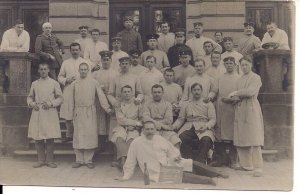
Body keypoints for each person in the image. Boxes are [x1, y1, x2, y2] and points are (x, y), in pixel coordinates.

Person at [117, 120, 228, 185]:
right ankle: (211, 181)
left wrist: (175, 156)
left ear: (155, 130)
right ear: (143, 130)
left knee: (191, 163)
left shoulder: (159, 138)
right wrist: (125, 177)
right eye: (147, 129)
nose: (150, 131)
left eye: (152, 129)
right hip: (155, 172)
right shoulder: (137, 143)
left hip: (169, 163)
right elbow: (130, 161)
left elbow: (171, 149)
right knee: (183, 176)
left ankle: (218, 174)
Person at [69, 62, 112, 169]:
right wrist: (70, 114)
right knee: (78, 135)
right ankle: (78, 159)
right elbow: (70, 101)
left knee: (89, 135)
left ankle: (88, 160)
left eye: (85, 69)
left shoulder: (94, 82)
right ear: (79, 71)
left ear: (88, 71)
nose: (83, 71)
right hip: (78, 111)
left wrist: (107, 109)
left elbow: (101, 97)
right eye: (81, 69)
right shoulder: (74, 83)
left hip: (90, 112)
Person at [229, 56, 264, 177]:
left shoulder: (256, 78)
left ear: (251, 65)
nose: (244, 67)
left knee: (254, 137)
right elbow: (239, 95)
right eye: (242, 65)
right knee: (241, 136)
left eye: (246, 65)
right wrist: (234, 98)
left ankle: (258, 167)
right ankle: (246, 165)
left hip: (251, 108)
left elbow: (250, 92)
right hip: (240, 108)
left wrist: (236, 93)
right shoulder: (239, 79)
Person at [27, 63, 63, 168]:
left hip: (49, 112)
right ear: (38, 70)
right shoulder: (35, 84)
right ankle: (41, 160)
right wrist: (33, 104)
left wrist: (51, 103)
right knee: (38, 137)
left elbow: (60, 98)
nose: (43, 71)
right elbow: (29, 97)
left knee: (50, 137)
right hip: (38, 112)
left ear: (48, 70)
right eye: (41, 69)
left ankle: (50, 160)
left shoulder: (54, 83)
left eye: (45, 69)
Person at [173, 83, 216, 164]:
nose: (197, 92)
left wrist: (206, 126)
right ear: (191, 91)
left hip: (203, 126)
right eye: (194, 90)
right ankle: (189, 161)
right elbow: (181, 119)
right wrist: (174, 126)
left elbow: (213, 119)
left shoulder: (207, 103)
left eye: (198, 90)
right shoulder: (186, 103)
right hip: (189, 126)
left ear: (202, 91)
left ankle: (200, 162)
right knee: (181, 138)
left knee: (206, 139)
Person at [209, 57, 239, 168]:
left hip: (233, 109)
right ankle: (220, 159)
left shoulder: (239, 78)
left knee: (232, 134)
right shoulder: (220, 77)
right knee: (220, 134)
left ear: (235, 65)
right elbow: (214, 91)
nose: (229, 65)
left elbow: (240, 93)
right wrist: (209, 97)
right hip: (221, 108)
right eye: (227, 63)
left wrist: (233, 99)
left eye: (231, 63)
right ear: (224, 65)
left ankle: (232, 160)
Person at [58, 42, 91, 143]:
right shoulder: (66, 63)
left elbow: (90, 77)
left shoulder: (86, 62)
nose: (75, 52)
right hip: (68, 90)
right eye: (73, 50)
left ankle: (80, 134)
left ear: (80, 50)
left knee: (81, 113)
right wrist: (66, 80)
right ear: (70, 51)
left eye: (77, 50)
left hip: (82, 91)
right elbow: (59, 77)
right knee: (68, 113)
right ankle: (69, 134)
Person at [110, 85, 143, 170]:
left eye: (128, 91)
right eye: (124, 92)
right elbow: (121, 120)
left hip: (134, 128)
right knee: (119, 137)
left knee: (131, 139)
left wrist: (136, 126)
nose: (127, 93)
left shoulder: (137, 104)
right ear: (121, 93)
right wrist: (135, 123)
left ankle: (126, 161)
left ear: (132, 93)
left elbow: (141, 118)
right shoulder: (118, 104)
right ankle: (123, 160)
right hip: (122, 127)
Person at [92, 51, 118, 150]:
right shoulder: (95, 74)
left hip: (112, 101)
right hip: (99, 101)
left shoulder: (116, 73)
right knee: (100, 122)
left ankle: (111, 144)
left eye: (107, 60)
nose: (106, 62)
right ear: (101, 61)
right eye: (104, 60)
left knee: (111, 122)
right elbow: (91, 87)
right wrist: (99, 89)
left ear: (111, 61)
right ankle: (101, 144)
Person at [143, 84, 181, 149]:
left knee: (175, 140)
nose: (157, 94)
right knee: (154, 143)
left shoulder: (167, 104)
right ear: (151, 93)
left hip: (165, 129)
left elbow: (169, 120)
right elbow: (146, 118)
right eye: (155, 92)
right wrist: (157, 124)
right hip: (151, 130)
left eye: (159, 92)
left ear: (162, 93)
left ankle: (177, 158)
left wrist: (159, 125)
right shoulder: (147, 104)